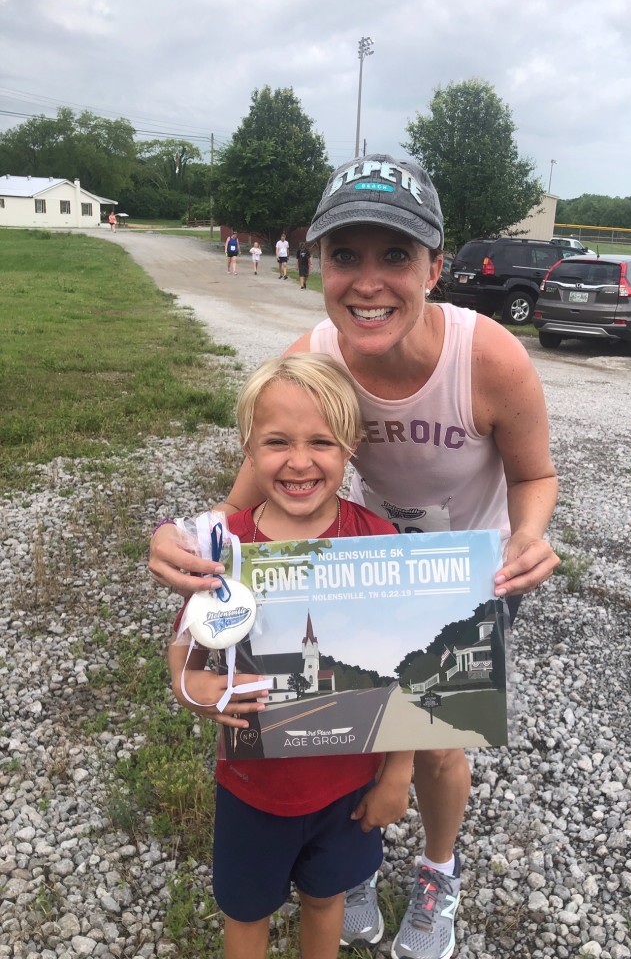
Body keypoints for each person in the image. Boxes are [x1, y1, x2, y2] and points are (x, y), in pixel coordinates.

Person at [149, 153, 560, 959]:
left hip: (460, 570)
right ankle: (348, 857)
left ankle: (438, 870)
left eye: (395, 255)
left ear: (434, 268)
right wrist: (175, 535)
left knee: (434, 735)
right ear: (319, 266)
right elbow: (242, 500)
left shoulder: (489, 357)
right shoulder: (314, 355)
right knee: (348, 708)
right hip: (358, 560)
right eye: (345, 255)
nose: (368, 282)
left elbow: (535, 474)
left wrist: (528, 534)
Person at [167, 353, 414, 959]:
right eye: (277, 442)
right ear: (248, 450)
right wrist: (192, 688)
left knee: (327, 899)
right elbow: (185, 649)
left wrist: (398, 773)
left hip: (349, 785)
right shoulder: (225, 546)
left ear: (351, 447)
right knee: (246, 912)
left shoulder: (379, 541)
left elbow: (404, 666)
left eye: (321, 442)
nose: (299, 462)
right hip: (253, 787)